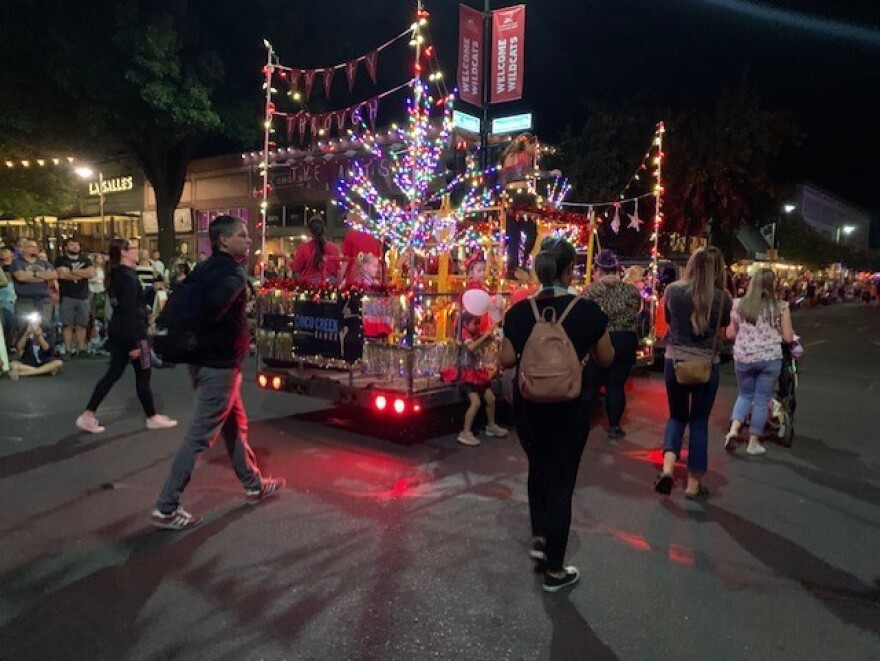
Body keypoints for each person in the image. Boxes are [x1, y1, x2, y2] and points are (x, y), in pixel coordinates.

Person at [152, 215, 285, 530]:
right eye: (242, 235)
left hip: (206, 361)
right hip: (220, 365)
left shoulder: (204, 268)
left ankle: (253, 484)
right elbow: (214, 309)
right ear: (224, 241)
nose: (248, 240)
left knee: (235, 426)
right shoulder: (232, 274)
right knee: (199, 437)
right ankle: (166, 508)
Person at [501, 237, 614, 592]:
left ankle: (539, 538)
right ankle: (555, 571)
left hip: (529, 407)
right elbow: (607, 358)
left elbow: (505, 361)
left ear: (539, 270)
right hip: (571, 407)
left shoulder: (518, 312)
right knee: (562, 481)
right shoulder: (588, 311)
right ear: (569, 270)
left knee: (538, 467)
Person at [75, 239, 177, 434]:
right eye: (133, 248)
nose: (138, 251)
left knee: (114, 373)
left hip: (120, 331)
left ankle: (88, 415)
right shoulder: (127, 278)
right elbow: (128, 311)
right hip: (134, 333)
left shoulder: (120, 275)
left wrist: (149, 292)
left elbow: (127, 305)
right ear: (123, 252)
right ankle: (152, 417)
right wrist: (134, 343)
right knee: (143, 374)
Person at [655, 246, 732, 500]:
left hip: (675, 362)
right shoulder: (723, 298)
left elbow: (668, 320)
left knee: (676, 418)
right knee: (698, 423)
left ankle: (667, 470)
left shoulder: (673, 291)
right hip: (706, 365)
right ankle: (693, 485)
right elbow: (722, 325)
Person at [724, 268, 794, 456]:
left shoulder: (738, 305)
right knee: (762, 400)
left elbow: (730, 333)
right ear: (773, 285)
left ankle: (733, 430)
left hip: (744, 358)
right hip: (769, 359)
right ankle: (753, 442)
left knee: (745, 395)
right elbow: (788, 337)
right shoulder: (781, 307)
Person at [584, 249, 642, 439]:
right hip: (626, 339)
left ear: (599, 270)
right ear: (617, 270)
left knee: (591, 382)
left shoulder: (592, 291)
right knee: (616, 384)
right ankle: (615, 426)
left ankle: (585, 422)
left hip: (602, 339)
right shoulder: (631, 291)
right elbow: (635, 313)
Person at [456, 311, 507, 446]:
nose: (478, 326)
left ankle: (491, 425)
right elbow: (471, 347)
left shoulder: (474, 334)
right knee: (476, 403)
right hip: (468, 375)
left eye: (479, 323)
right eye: (475, 323)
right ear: (466, 324)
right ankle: (465, 432)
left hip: (479, 373)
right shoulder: (463, 334)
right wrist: (484, 337)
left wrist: (490, 339)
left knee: (491, 399)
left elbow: (480, 346)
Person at [11, 238, 57, 345]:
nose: (34, 249)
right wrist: (41, 275)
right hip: (25, 301)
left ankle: (46, 352)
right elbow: (21, 277)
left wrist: (32, 275)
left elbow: (54, 275)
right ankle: (26, 353)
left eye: (36, 247)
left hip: (43, 301)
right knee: (24, 327)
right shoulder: (17, 263)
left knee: (46, 326)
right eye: (30, 246)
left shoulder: (44, 263)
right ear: (23, 249)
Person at [55, 237, 95, 358]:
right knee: (67, 324)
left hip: (83, 296)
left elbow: (91, 273)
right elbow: (62, 274)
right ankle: (68, 349)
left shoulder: (86, 260)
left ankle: (81, 349)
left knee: (82, 324)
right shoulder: (61, 260)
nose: (75, 247)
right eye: (72, 245)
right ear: (66, 247)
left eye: (77, 245)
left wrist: (72, 271)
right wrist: (80, 273)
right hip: (67, 296)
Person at [8, 314, 64, 379]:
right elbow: (19, 347)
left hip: (45, 360)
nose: (34, 323)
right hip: (28, 361)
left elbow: (47, 349)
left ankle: (23, 373)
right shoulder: (25, 330)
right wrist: (26, 334)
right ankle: (44, 371)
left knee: (59, 363)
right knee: (12, 364)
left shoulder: (47, 330)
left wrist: (40, 336)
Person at [292, 215, 340, 285]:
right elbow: (337, 270)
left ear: (309, 231)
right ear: (324, 229)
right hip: (331, 285)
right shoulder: (334, 248)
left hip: (310, 286)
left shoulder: (303, 248)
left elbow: (296, 272)